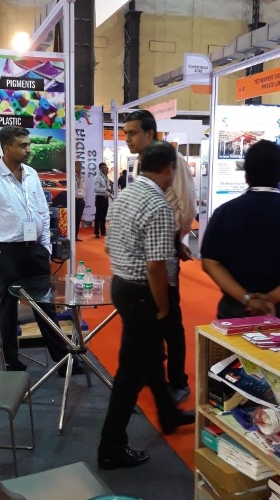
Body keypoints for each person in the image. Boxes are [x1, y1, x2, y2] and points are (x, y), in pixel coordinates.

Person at [98, 140, 194, 470]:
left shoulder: (125, 195)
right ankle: (111, 447)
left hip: (123, 285)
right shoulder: (157, 205)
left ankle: (168, 415)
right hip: (143, 293)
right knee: (131, 374)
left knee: (151, 358)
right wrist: (163, 307)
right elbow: (156, 267)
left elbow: (110, 244)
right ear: (168, 168)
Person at [0, 125, 83, 375]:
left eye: (29, 144)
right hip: (9, 253)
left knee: (46, 307)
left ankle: (62, 360)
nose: (29, 149)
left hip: (36, 251)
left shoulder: (32, 174)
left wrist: (45, 246)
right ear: (6, 148)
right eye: (23, 145)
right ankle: (12, 362)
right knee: (9, 310)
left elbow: (43, 212)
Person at [124, 109, 196, 404]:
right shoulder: (139, 162)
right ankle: (152, 375)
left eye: (132, 133)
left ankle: (178, 381)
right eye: (125, 133)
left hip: (164, 247)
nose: (127, 139)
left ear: (149, 133)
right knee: (148, 315)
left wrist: (175, 240)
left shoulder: (172, 160)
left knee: (170, 318)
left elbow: (187, 206)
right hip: (142, 250)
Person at [200, 140, 280, 321]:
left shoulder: (225, 212)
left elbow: (210, 262)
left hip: (235, 309)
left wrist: (246, 298)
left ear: (246, 174)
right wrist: (271, 299)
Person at [93, 162, 111, 238]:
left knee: (104, 216)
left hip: (105, 198)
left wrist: (109, 191)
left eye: (105, 167)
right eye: (103, 167)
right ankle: (96, 232)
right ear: (100, 168)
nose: (104, 168)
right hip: (99, 198)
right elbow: (96, 189)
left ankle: (103, 231)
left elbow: (108, 187)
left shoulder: (106, 177)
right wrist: (106, 189)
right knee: (98, 216)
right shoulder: (97, 177)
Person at [74, 161, 86, 241]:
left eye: (81, 166)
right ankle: (71, 236)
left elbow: (84, 189)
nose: (80, 168)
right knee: (73, 219)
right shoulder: (71, 176)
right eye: (78, 166)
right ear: (74, 167)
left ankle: (76, 236)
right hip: (74, 200)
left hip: (81, 201)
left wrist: (84, 199)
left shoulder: (83, 177)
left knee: (78, 219)